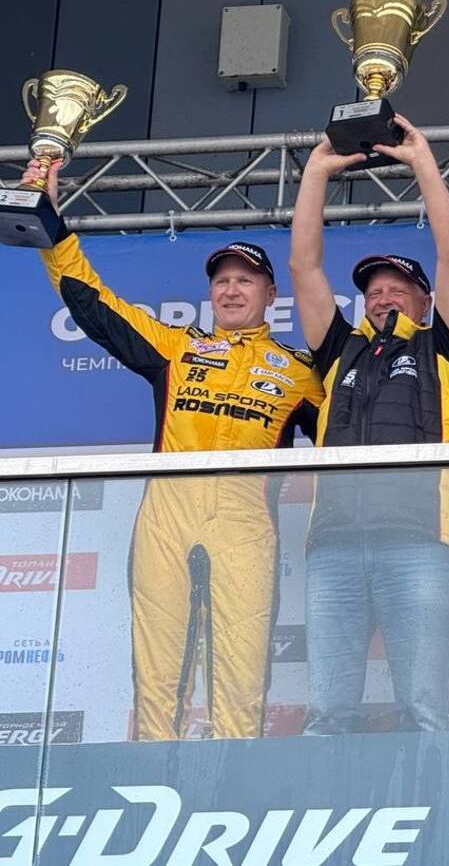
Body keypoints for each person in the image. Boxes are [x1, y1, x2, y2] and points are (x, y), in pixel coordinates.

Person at [27, 158, 323, 741]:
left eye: (245, 280)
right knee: (158, 674)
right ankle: (151, 776)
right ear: (210, 293)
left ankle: (236, 774)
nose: (231, 289)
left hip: (246, 523)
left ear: (270, 294)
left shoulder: (298, 373)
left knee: (241, 675)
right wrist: (50, 223)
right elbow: (93, 304)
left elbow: (358, 427)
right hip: (165, 518)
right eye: (222, 281)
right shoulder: (176, 348)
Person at [288, 115, 449, 734]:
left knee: (422, 709)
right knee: (327, 714)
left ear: (425, 302)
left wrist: (421, 162)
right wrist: (316, 173)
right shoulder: (339, 350)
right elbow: (304, 269)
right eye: (374, 291)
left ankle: (434, 801)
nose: (384, 297)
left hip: (420, 542)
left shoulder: (443, 349)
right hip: (334, 546)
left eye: (399, 289)